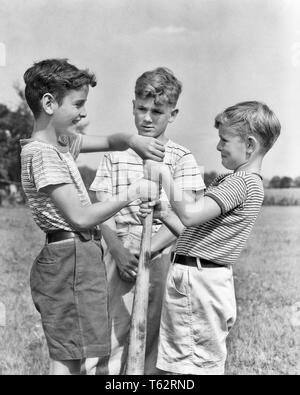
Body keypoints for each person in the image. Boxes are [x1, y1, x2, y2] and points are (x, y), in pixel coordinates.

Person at [20, 58, 165, 375]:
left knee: (77, 351)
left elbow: (111, 141)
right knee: (69, 358)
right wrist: (132, 192)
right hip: (68, 256)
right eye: (78, 104)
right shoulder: (42, 153)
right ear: (48, 103)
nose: (84, 113)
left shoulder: (60, 144)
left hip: (78, 255)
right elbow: (82, 218)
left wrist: (131, 140)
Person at [140, 101, 281, 375]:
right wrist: (165, 213)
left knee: (192, 366)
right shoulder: (240, 182)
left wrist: (165, 175)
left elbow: (191, 215)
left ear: (249, 145)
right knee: (183, 363)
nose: (218, 146)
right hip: (199, 276)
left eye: (224, 139)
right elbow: (193, 231)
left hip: (199, 282)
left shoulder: (241, 183)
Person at [90, 67, 205, 374]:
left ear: (173, 113)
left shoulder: (182, 157)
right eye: (142, 109)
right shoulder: (115, 155)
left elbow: (187, 217)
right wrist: (115, 248)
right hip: (119, 250)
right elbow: (102, 209)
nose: (148, 118)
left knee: (154, 330)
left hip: (161, 252)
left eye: (158, 111)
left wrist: (150, 249)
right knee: (112, 330)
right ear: (133, 106)